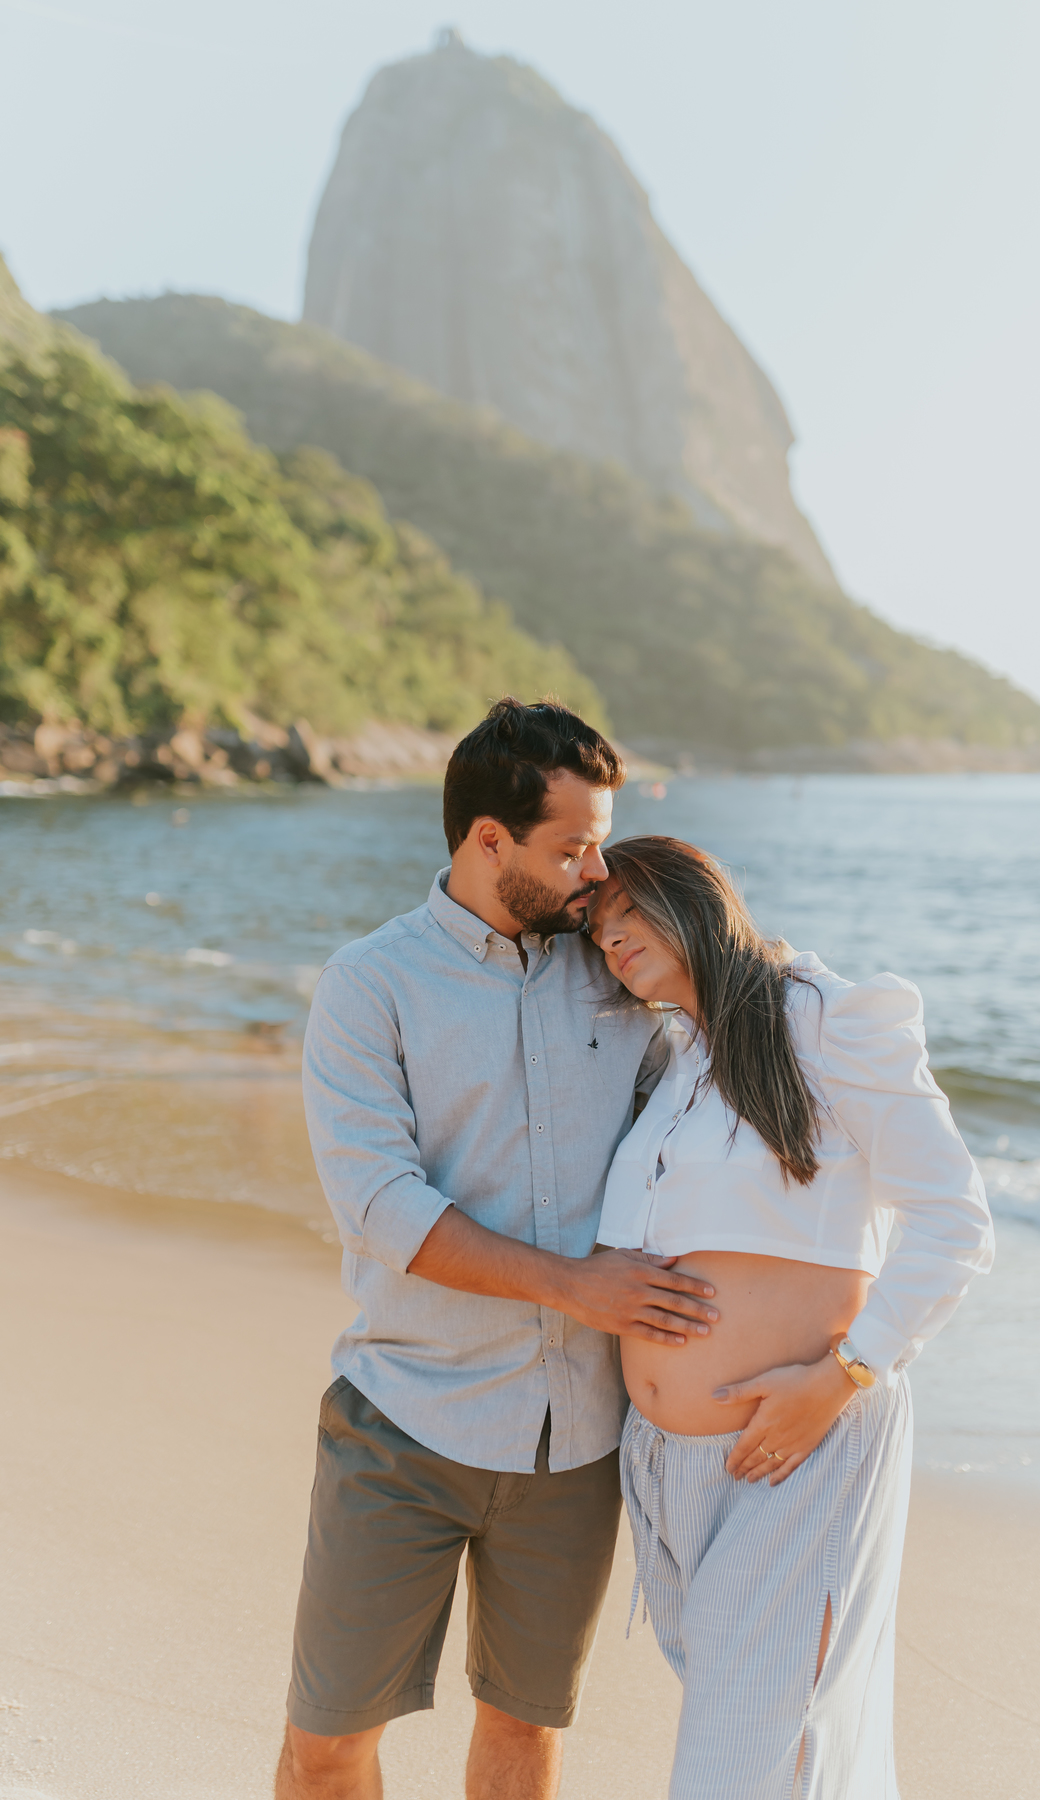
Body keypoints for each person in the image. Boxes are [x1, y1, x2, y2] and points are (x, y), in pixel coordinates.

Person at [276, 704, 721, 1800]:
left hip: (575, 1450)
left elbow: (707, 1117)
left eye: (601, 841)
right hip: (405, 1425)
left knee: (525, 1739)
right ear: (487, 840)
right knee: (327, 1744)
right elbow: (381, 1205)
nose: (596, 871)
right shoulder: (370, 985)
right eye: (571, 847)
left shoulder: (617, 972)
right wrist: (580, 1285)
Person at [587, 836, 995, 1800]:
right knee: (784, 1762)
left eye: (632, 911)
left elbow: (955, 1220)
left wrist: (846, 1374)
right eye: (599, 933)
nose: (613, 940)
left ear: (696, 896)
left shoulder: (827, 1020)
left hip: (798, 1452)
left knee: (739, 1774)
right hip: (672, 1473)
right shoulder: (679, 1061)